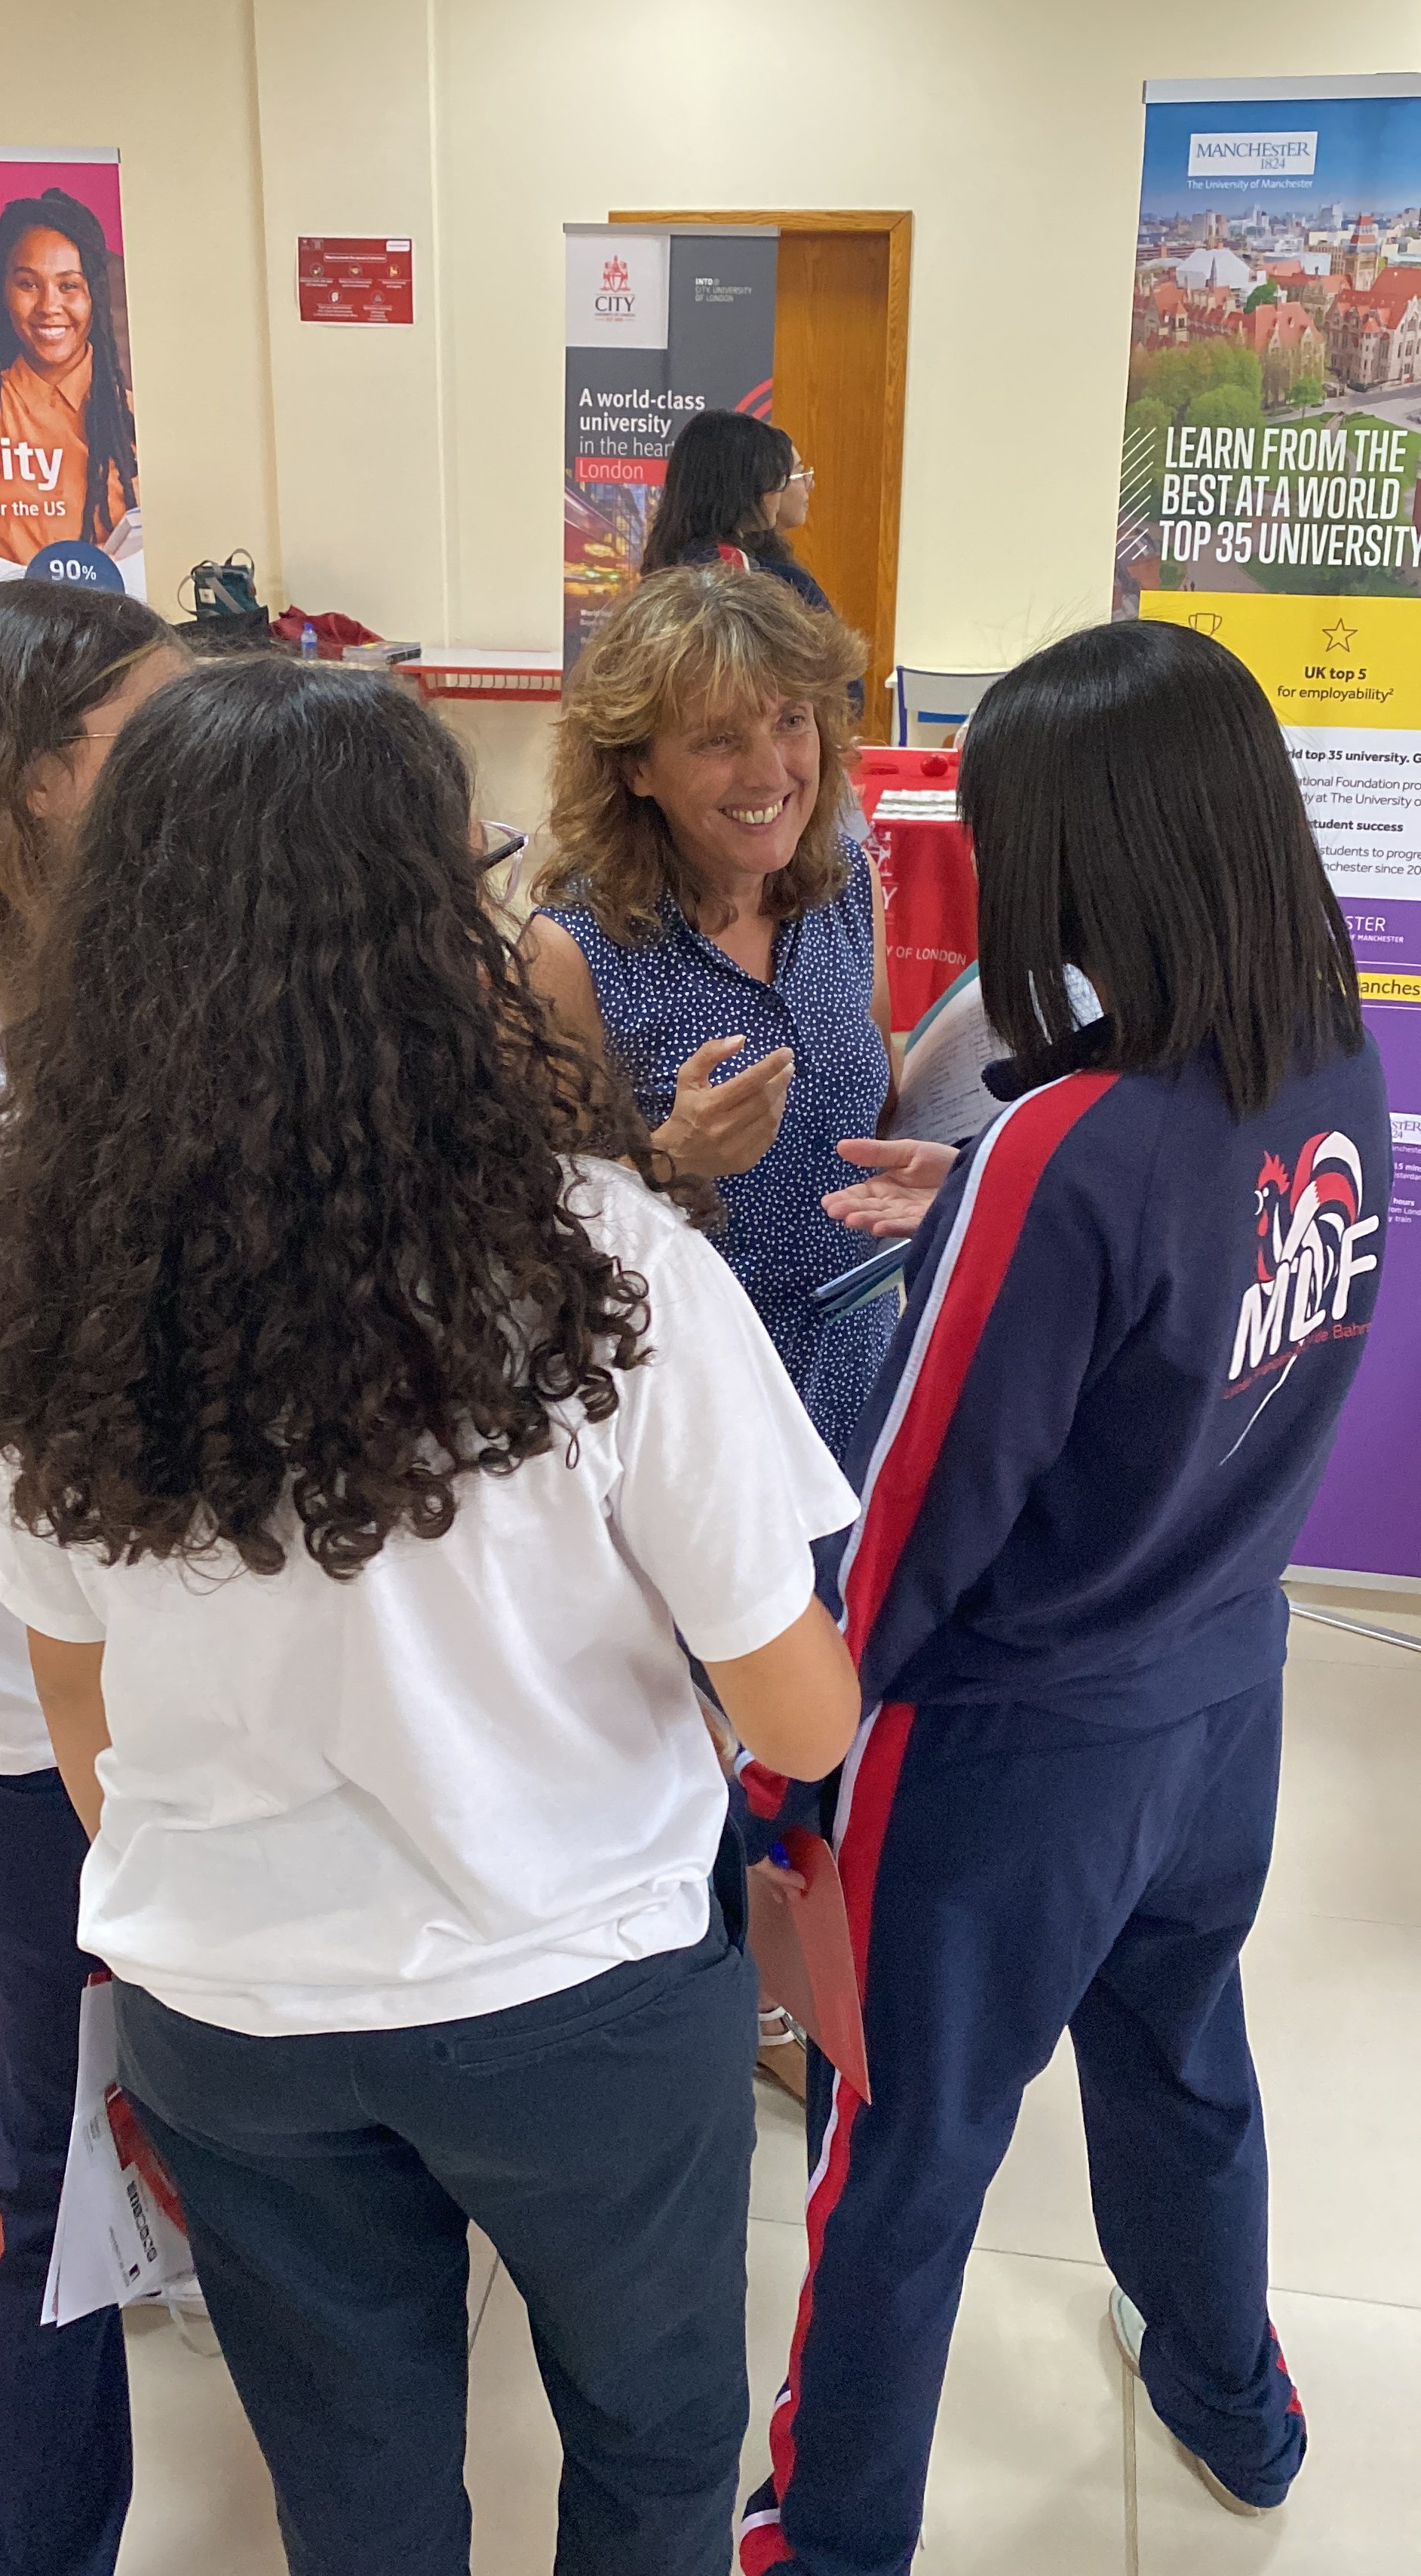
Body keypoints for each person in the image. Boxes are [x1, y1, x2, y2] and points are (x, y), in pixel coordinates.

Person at [0, 659, 862, 2576]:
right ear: (430, 932)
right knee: (651, 2437)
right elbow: (801, 1717)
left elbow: (78, 1719)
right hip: (579, 1990)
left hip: (233, 2014)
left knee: (352, 2488)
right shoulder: (606, 1261)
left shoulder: (54, 1274)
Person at [736, 618, 1391, 2576]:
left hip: (1006, 1762)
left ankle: (823, 2541)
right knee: (1183, 2065)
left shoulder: (1058, 1147)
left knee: (903, 2157)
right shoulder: (1327, 1061)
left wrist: (782, 1778)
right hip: (1224, 1698)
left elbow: (911, 1523)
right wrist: (990, 1224)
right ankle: (1236, 2406)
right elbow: (1197, 1310)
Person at [0, 579, 183, 2576]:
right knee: (57, 2119)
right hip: (30, 1700)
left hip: (157, 1668)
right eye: (138, 739)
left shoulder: (106, 976)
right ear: (24, 776)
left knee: (158, 2087)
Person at [529, 562, 895, 1466]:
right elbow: (529, 1232)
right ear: (635, 767)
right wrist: (666, 1160)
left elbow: (880, 1101)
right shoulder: (570, 950)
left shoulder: (847, 890)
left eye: (791, 721)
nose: (771, 770)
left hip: (858, 1369)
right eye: (719, 740)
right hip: (690, 1407)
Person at [0, 188, 138, 566]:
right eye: (28, 284)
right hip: (4, 605)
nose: (48, 306)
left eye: (69, 286)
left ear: (94, 296)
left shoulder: (132, 414)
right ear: (3, 292)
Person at [642, 409, 830, 613]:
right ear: (739, 487)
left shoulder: (670, 562)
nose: (778, 491)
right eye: (774, 479)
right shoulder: (731, 572)